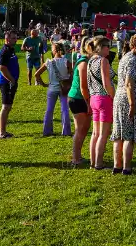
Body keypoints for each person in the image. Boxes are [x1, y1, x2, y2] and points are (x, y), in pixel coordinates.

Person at [111, 34, 136, 175]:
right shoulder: (132, 60)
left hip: (119, 98)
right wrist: (133, 105)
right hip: (129, 99)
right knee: (129, 135)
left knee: (118, 133)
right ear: (134, 45)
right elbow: (129, 84)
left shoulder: (125, 57)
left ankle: (117, 166)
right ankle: (126, 168)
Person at [87, 35, 116, 170]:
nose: (109, 50)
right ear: (101, 47)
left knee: (95, 133)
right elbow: (106, 83)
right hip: (104, 99)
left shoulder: (90, 60)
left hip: (94, 98)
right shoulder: (103, 61)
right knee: (103, 134)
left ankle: (93, 161)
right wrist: (114, 96)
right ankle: (99, 163)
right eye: (108, 47)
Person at [36, 42, 73, 137]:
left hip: (52, 88)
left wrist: (43, 83)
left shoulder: (48, 62)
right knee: (65, 109)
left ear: (54, 51)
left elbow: (37, 74)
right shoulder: (66, 62)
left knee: (49, 110)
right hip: (64, 88)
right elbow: (71, 75)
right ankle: (66, 131)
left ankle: (47, 130)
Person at [66, 37, 93, 165]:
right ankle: (75, 158)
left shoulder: (88, 61)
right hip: (78, 98)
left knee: (84, 128)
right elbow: (83, 87)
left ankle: (78, 156)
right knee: (80, 129)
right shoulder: (83, 63)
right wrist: (88, 104)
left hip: (83, 98)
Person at [0, 31, 20, 139]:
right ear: (7, 39)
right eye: (14, 38)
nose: (16, 40)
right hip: (6, 82)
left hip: (11, 82)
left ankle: (4, 131)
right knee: (5, 107)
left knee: (8, 106)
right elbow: (2, 68)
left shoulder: (11, 49)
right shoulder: (5, 51)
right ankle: (2, 133)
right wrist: (11, 80)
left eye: (16, 38)